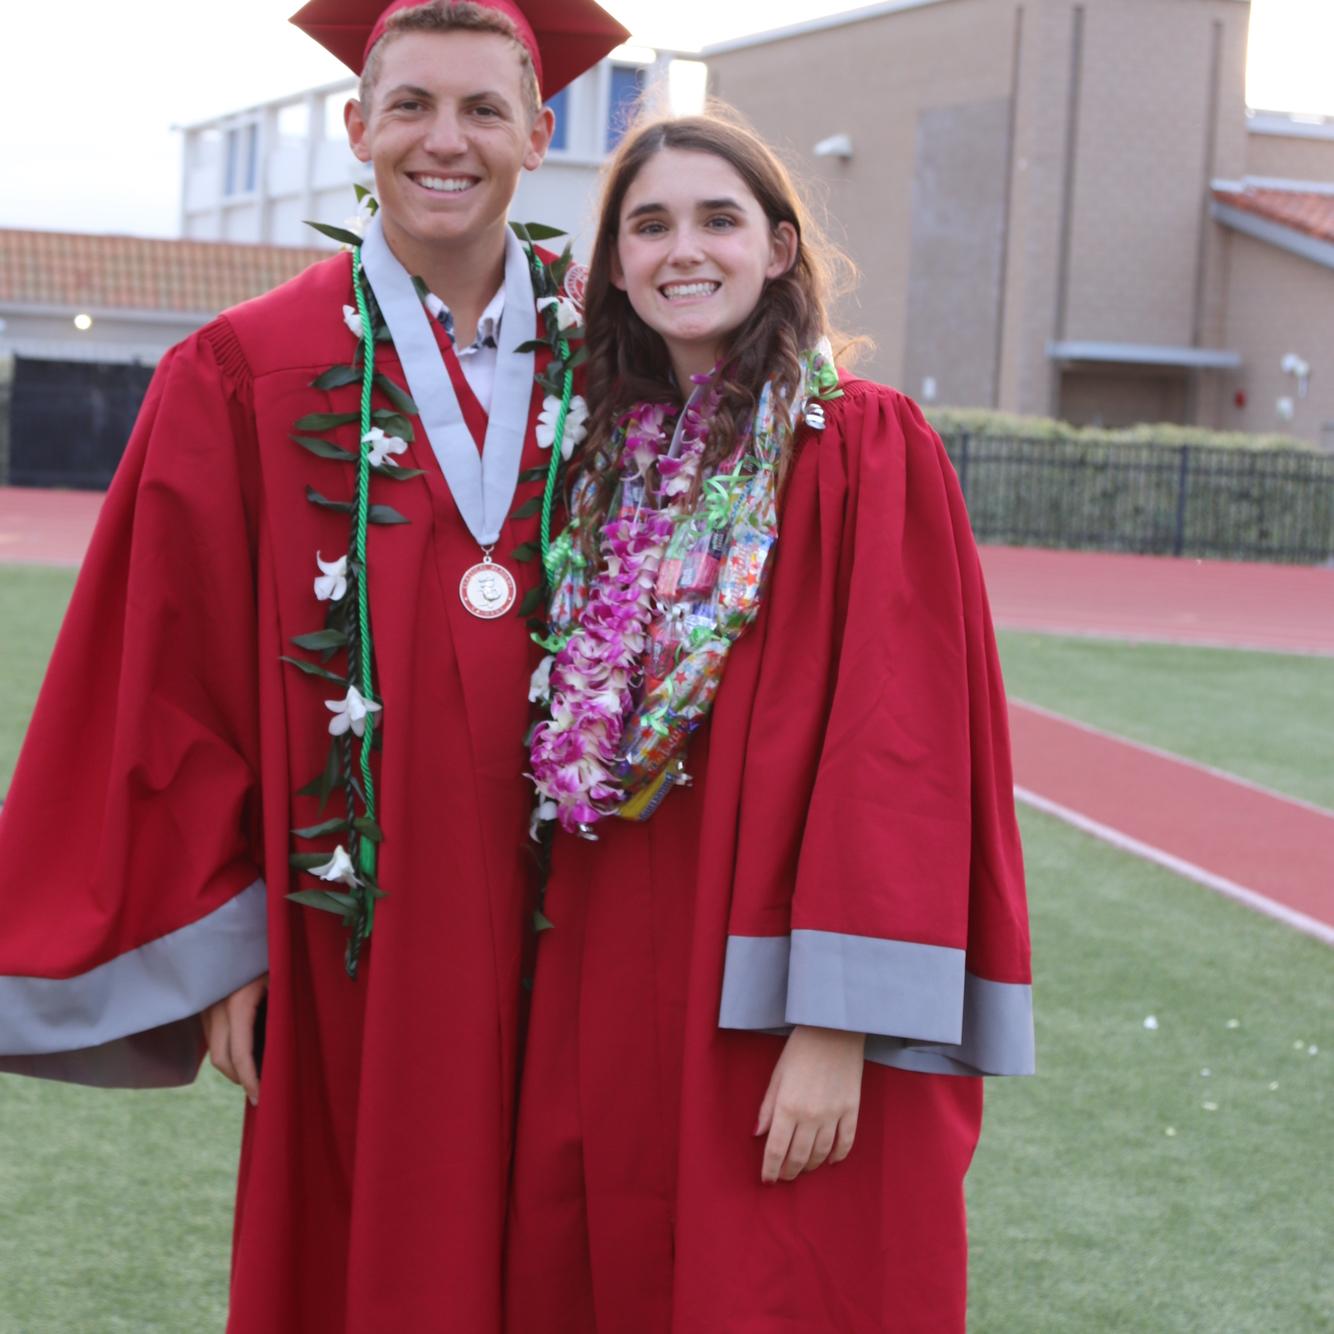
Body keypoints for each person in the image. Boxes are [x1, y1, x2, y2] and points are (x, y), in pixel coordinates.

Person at [0, 1, 625, 1330]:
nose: (440, 142)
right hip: (350, 933)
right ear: (356, 127)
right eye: (408, 107)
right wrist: (229, 938)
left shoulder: (622, 367)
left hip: (586, 922)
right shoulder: (243, 371)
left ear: (539, 131)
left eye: (477, 109)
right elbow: (165, 670)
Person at [505, 109, 1036, 1334]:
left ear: (780, 249)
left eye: (717, 219)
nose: (680, 249)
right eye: (648, 225)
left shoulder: (856, 443)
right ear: (615, 266)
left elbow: (896, 745)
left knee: (777, 1281)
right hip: (611, 939)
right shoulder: (595, 460)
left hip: (770, 961)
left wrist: (836, 1022)